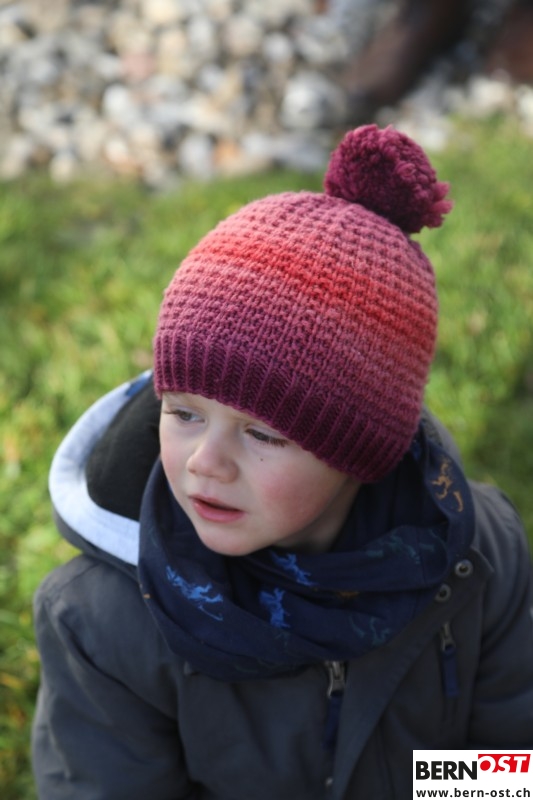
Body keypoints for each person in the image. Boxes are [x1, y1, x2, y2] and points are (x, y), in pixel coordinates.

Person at [32, 124, 533, 800]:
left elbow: (506, 762)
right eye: (183, 412)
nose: (206, 463)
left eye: (263, 433)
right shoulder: (103, 619)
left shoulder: (475, 557)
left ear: (361, 450)